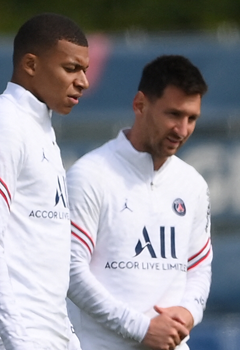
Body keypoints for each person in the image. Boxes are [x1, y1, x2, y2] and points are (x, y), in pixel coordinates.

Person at [0, 13, 90, 350]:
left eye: (84, 70)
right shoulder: (1, 126)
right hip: (1, 337)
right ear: (31, 64)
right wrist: (18, 341)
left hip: (46, 332)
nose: (83, 81)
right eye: (71, 69)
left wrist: (67, 338)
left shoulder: (39, 128)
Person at [66, 55, 212, 350]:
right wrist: (141, 328)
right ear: (140, 105)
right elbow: (70, 272)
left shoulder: (192, 184)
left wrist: (187, 314)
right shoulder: (89, 175)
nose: (182, 130)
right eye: (173, 114)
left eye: (192, 118)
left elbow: (199, 267)